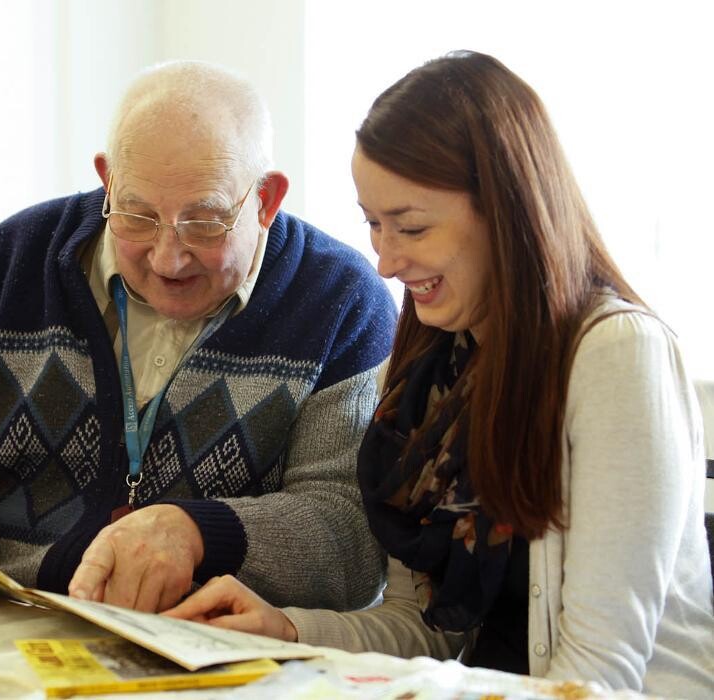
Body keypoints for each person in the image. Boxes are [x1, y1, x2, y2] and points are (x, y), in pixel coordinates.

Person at [165, 51, 714, 697]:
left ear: (507, 211)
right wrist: (284, 629)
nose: (385, 262)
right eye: (373, 224)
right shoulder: (432, 370)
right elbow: (425, 630)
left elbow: (597, 676)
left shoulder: (617, 353)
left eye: (412, 227)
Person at [0, 60, 397, 614]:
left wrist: (201, 533)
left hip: (203, 644)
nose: (168, 257)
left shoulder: (341, 301)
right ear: (107, 180)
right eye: (136, 216)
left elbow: (351, 537)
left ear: (266, 200)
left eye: (204, 222)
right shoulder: (10, 263)